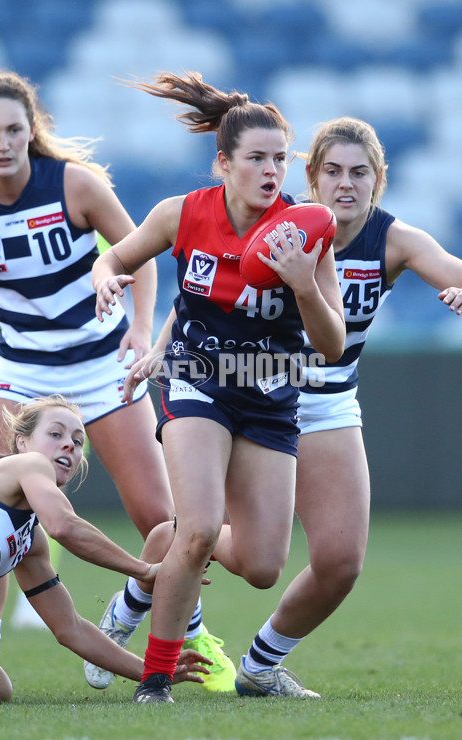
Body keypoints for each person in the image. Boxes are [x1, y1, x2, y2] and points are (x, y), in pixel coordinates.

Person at [0, 69, 232, 688]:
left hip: (99, 367)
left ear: (32, 130)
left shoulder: (74, 184)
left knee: (161, 517)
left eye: (15, 129)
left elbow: (142, 252)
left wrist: (140, 329)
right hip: (20, 373)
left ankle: (183, 636)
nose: (3, 141)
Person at [90, 71, 346, 703]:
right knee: (200, 528)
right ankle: (155, 681)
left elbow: (332, 344)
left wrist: (304, 283)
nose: (271, 171)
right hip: (197, 383)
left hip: (269, 397)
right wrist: (105, 277)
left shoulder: (307, 230)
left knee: (262, 566)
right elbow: (116, 256)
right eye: (257, 158)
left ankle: (145, 578)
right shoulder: (182, 213)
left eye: (280, 159)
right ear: (223, 163)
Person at [232, 116, 462, 698]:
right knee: (248, 557)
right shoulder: (275, 224)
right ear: (312, 176)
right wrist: (158, 349)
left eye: (360, 172)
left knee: (341, 562)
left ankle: (257, 668)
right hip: (254, 400)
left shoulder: (393, 239)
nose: (346, 184)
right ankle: (155, 573)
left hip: (329, 405)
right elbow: (204, 294)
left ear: (380, 179)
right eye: (333, 171)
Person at [0, 394, 211, 703]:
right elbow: (64, 525)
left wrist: (154, 672)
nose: (70, 445)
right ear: (22, 442)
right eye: (56, 434)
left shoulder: (30, 540)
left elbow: (70, 628)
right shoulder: (29, 463)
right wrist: (144, 569)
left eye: (78, 441)